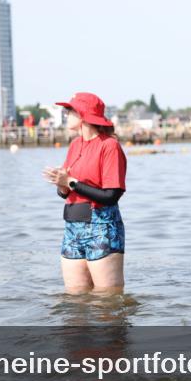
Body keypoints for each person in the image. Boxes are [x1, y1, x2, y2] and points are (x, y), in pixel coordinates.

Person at [43, 92, 127, 294]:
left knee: (108, 302)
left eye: (70, 110)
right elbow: (67, 191)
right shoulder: (74, 145)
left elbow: (111, 196)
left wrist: (71, 183)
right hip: (72, 227)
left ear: (84, 115)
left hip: (102, 228)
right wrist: (62, 185)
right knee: (74, 302)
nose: (66, 113)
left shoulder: (109, 146)